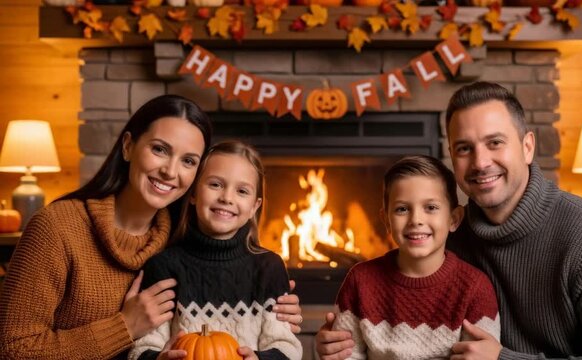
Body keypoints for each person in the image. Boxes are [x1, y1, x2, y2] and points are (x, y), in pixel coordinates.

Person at [315, 81, 582, 359]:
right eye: (464, 148)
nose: (481, 162)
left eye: (495, 143)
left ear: (527, 147)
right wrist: (336, 346)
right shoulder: (446, 235)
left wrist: (503, 359)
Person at [0, 95, 302, 360]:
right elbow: (12, 348)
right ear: (129, 146)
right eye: (159, 149)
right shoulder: (57, 228)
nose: (170, 171)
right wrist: (125, 327)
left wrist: (276, 304)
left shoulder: (178, 238)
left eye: (188, 161)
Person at [128, 140, 302, 360]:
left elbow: (287, 346)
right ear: (193, 194)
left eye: (241, 191)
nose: (226, 198)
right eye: (215, 185)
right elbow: (141, 348)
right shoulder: (164, 266)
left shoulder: (269, 267)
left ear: (254, 207)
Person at [332, 155, 499, 359]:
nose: (416, 220)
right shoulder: (360, 280)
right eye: (402, 209)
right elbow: (345, 355)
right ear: (386, 221)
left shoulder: (474, 288)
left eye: (431, 208)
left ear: (454, 219)